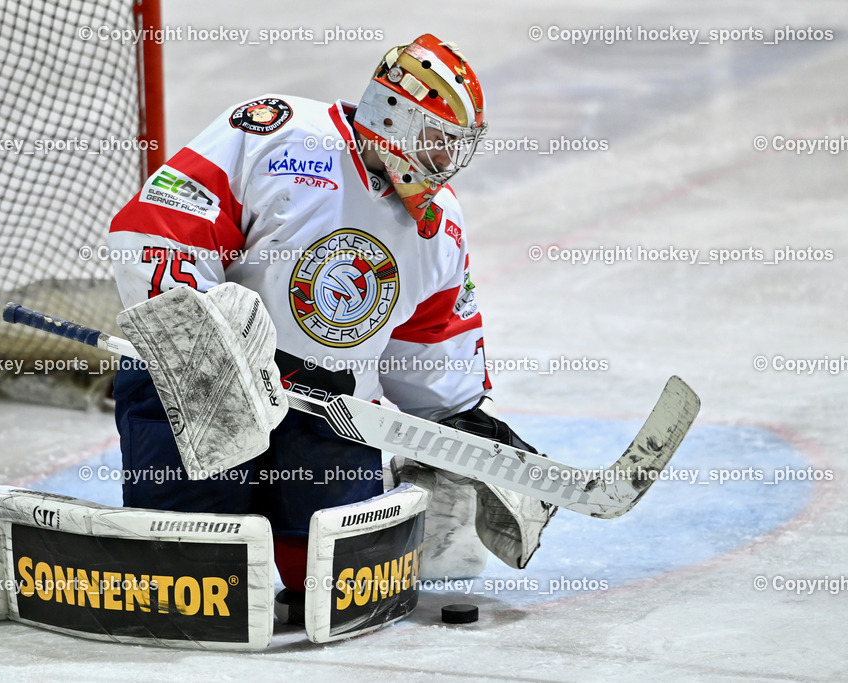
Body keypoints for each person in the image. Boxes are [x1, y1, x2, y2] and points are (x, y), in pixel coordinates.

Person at [107, 34, 555, 624]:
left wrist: (469, 429)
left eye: (456, 148)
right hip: (198, 385)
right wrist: (213, 341)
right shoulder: (276, 133)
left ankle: (397, 485)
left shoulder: (439, 226)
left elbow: (431, 343)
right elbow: (157, 227)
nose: (446, 162)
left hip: (324, 405)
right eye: (437, 141)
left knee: (339, 586)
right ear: (391, 113)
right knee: (194, 585)